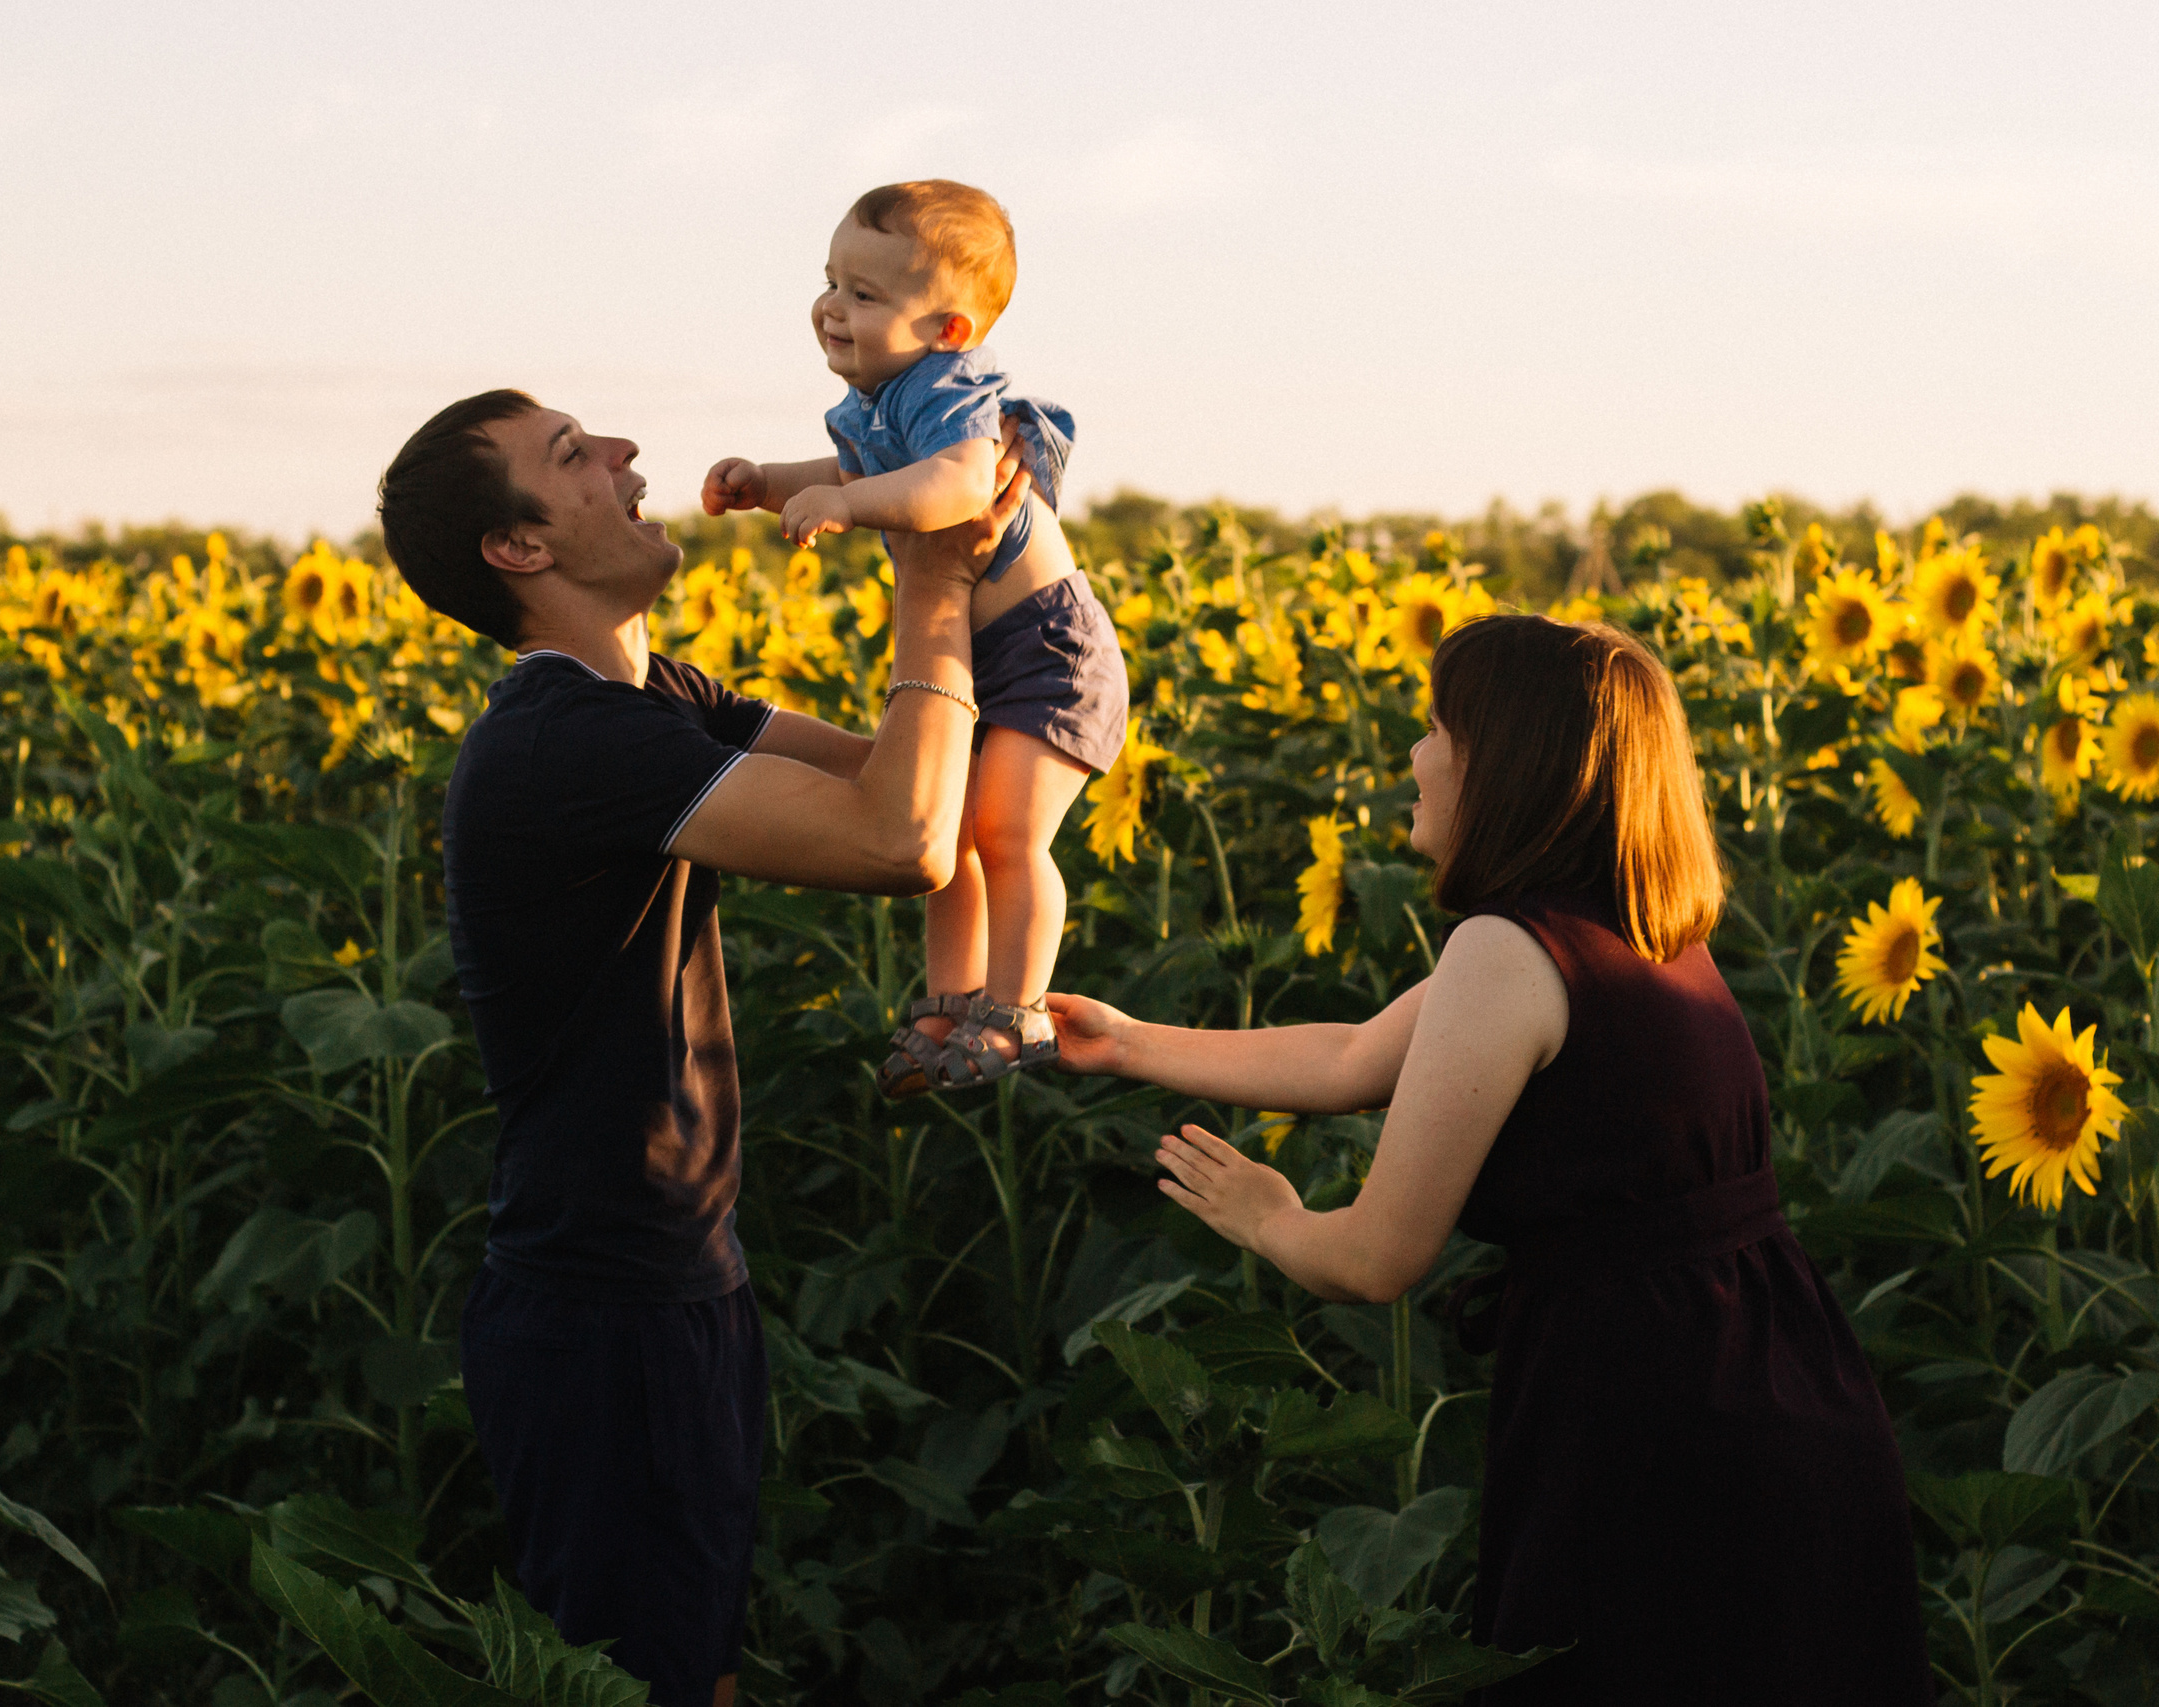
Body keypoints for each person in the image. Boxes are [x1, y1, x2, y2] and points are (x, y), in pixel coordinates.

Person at [1043, 614, 1931, 1703]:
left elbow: (1373, 1261)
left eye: (1434, 727)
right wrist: (1126, 1041)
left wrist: (1263, 1212)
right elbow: (1354, 1057)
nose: (1412, 756)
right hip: (1774, 1388)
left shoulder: (1505, 951)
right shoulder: (1641, 933)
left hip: (1655, 1428)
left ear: (1504, 761)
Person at [379, 389, 1025, 1707]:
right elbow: (892, 843)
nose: (624, 454)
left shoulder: (655, 699)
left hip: (676, 1279)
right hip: (600, 1306)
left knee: (693, 1667)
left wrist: (1021, 621)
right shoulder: (563, 742)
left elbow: (925, 806)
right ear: (521, 548)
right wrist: (931, 572)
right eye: (572, 457)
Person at [701, 179, 1128, 1096]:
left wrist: (849, 506)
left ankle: (1016, 1012)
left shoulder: (950, 394)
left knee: (1008, 831)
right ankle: (951, 999)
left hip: (1047, 650)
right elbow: (848, 467)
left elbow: (963, 488)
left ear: (949, 331)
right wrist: (768, 479)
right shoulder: (878, 403)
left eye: (865, 293)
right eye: (830, 281)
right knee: (947, 836)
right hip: (983, 648)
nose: (832, 306)